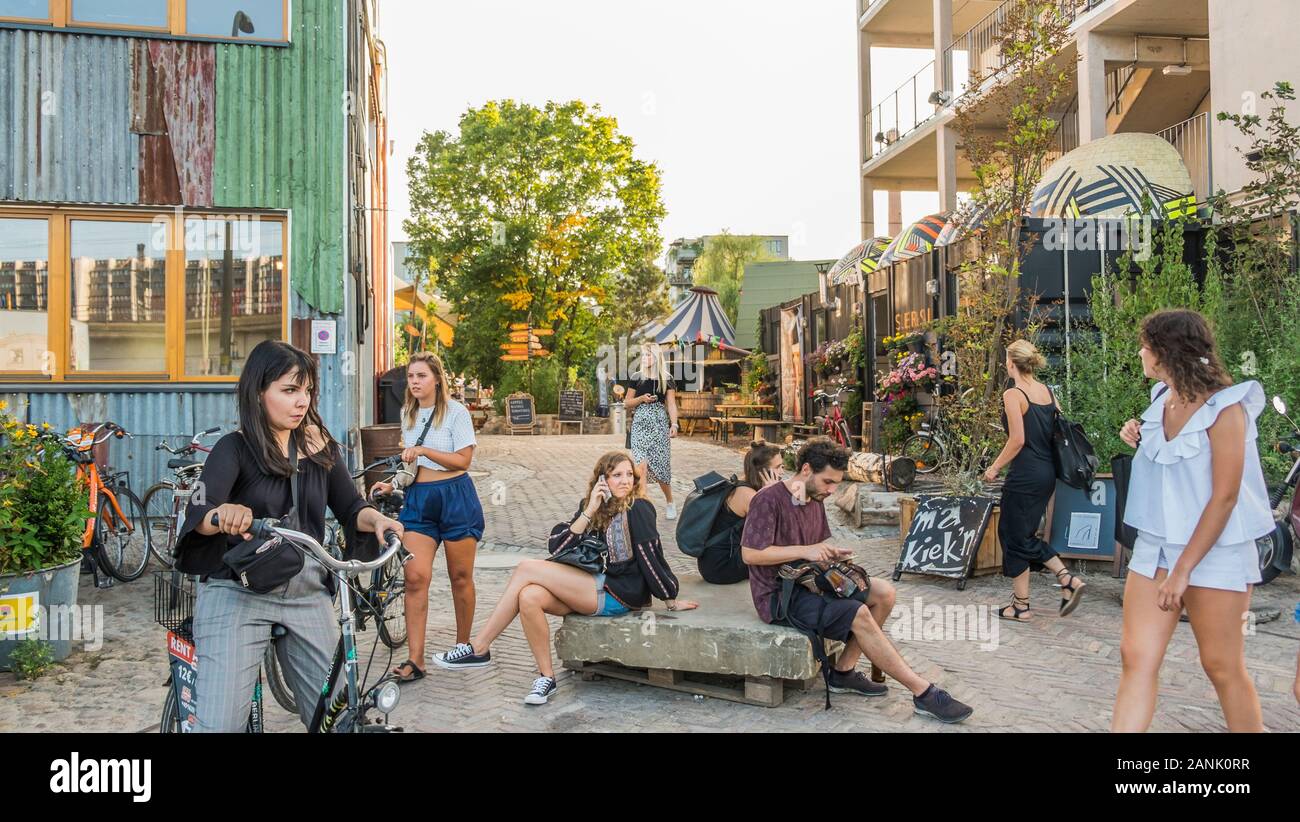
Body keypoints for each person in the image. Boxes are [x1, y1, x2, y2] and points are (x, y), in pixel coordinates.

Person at [175, 340, 403, 732]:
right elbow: (201, 512)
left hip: (306, 592)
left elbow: (351, 507)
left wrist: (377, 522)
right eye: (289, 390)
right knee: (219, 725)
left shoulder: (318, 447)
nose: (302, 401)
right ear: (258, 392)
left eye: (307, 390)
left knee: (340, 718)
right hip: (239, 592)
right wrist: (222, 513)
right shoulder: (234, 448)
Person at [1112, 309, 1273, 732]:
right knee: (1135, 656)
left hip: (1217, 551)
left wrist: (1182, 571)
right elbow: (1171, 465)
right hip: (1156, 545)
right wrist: (1136, 430)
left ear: (1166, 353)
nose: (1140, 353)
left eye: (1146, 345)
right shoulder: (1158, 400)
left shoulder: (1227, 408)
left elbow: (1225, 496)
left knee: (1220, 666)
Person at [432, 450, 696, 704]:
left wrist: (669, 598)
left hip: (619, 592)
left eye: (629, 474)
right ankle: (546, 677)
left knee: (526, 568)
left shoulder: (639, 508)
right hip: (589, 587)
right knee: (529, 596)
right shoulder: (592, 507)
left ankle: (479, 647)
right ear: (602, 480)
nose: (625, 480)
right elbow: (558, 546)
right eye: (617, 475)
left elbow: (650, 556)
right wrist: (590, 508)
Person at [741, 437, 974, 723]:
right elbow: (750, 554)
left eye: (836, 483)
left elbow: (815, 548)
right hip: (780, 596)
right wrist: (806, 551)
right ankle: (923, 692)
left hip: (812, 582)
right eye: (827, 481)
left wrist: (831, 554)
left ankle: (842, 672)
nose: (832, 489)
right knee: (858, 613)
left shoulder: (814, 497)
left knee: (884, 593)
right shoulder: (768, 499)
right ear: (805, 470)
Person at [369, 351, 484, 683]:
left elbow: (462, 461)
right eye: (411, 376)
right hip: (419, 501)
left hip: (455, 497)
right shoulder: (409, 412)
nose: (415, 382)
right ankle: (415, 659)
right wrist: (393, 485)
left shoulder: (456, 413)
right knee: (415, 576)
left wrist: (423, 451)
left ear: (436, 379)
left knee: (460, 576)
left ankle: (463, 646)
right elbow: (411, 466)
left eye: (421, 375)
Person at [983, 339, 1086, 621]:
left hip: (1025, 474)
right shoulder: (1048, 392)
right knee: (1021, 535)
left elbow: (1017, 440)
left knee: (1013, 535)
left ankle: (1057, 583)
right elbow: (1059, 430)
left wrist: (994, 467)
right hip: (1047, 473)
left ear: (1010, 363)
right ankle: (1026, 602)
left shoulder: (1013, 394)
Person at [697, 440, 784, 584]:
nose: (782, 471)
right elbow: (779, 525)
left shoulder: (745, 481)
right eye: (778, 467)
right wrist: (772, 494)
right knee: (782, 551)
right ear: (763, 471)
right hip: (721, 566)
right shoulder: (749, 496)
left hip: (714, 560)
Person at [626, 342, 681, 518]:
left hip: (659, 426)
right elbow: (627, 403)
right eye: (643, 355)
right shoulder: (636, 377)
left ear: (657, 357)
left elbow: (671, 404)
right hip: (640, 425)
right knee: (641, 466)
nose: (645, 358)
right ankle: (644, 506)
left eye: (648, 355)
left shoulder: (667, 378)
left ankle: (670, 502)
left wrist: (674, 424)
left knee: (661, 468)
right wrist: (641, 398)